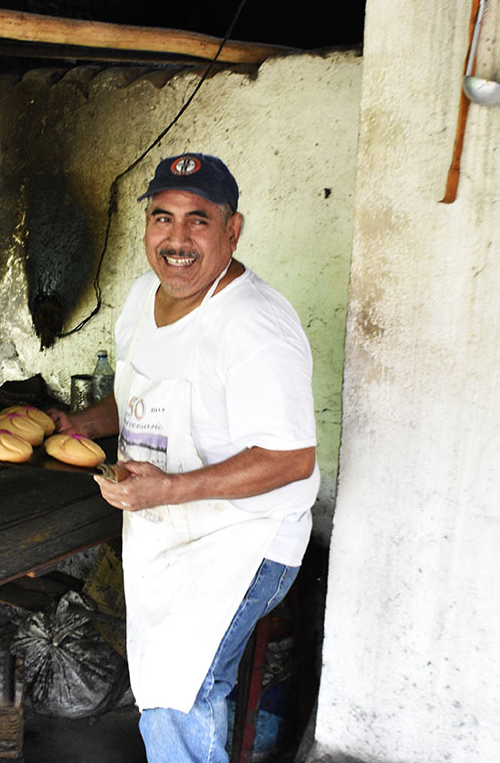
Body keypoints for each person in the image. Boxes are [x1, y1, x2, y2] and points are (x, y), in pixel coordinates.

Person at [52, 152, 319, 763]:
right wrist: (83, 425)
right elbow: (139, 393)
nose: (176, 239)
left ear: (233, 229)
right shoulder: (143, 295)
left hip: (244, 539)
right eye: (162, 217)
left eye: (198, 220)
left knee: (179, 693)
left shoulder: (254, 324)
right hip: (166, 531)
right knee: (165, 685)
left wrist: (167, 491)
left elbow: (291, 459)